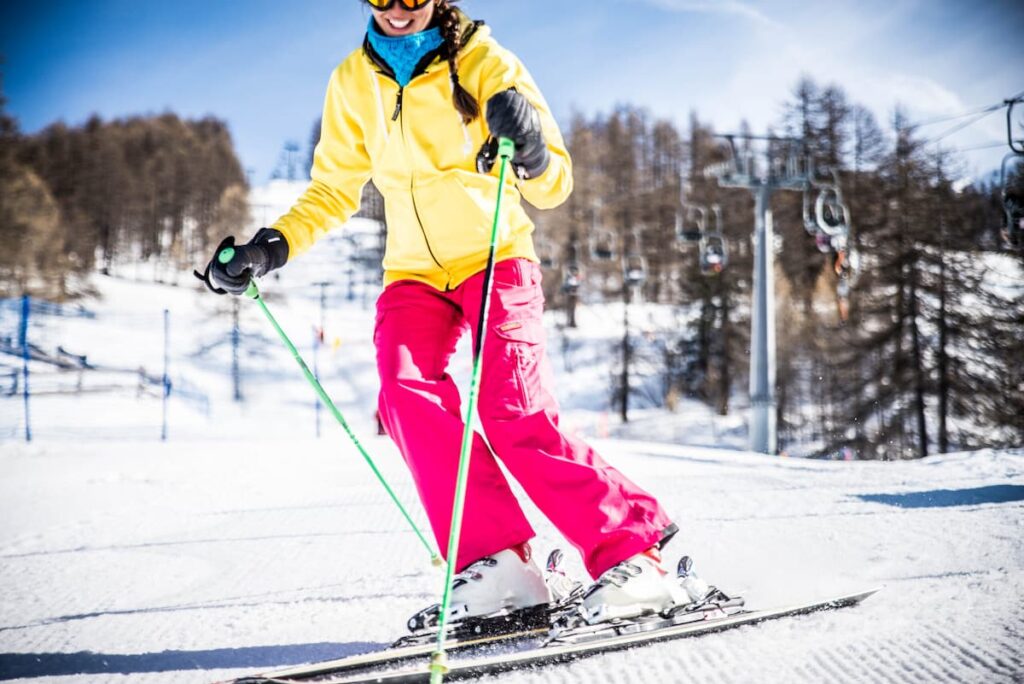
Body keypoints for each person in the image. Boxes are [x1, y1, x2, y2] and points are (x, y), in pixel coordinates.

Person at [200, 0, 690, 626]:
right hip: (413, 271)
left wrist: (532, 148)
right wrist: (272, 246)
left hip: (496, 253)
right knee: (404, 397)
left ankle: (639, 554)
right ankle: (500, 564)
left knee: (510, 412)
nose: (400, 10)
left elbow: (554, 183)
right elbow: (333, 188)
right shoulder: (353, 81)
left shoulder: (485, 60)